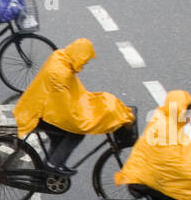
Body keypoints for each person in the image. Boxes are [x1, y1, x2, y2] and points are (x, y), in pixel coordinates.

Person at [13, 38, 135, 175]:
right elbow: (68, 111)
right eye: (85, 60)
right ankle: (52, 165)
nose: (85, 63)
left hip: (41, 107)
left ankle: (51, 166)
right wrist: (88, 119)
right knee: (76, 134)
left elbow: (68, 99)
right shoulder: (60, 73)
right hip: (41, 113)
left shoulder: (60, 58)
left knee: (59, 139)